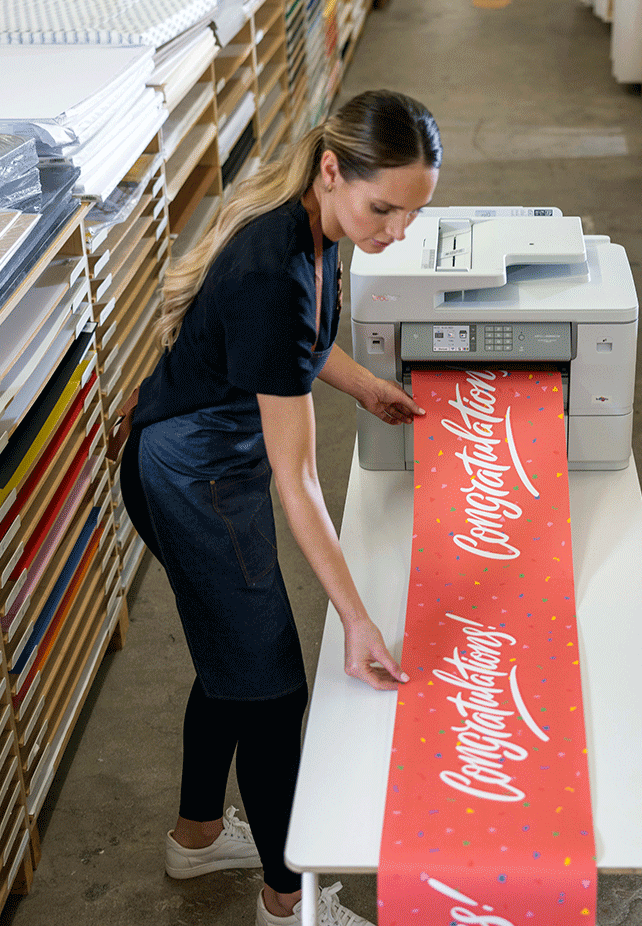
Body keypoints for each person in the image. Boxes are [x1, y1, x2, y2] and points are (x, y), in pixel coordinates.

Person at [119, 90, 442, 926]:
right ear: (334, 170)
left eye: (412, 213)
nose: (395, 231)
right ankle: (286, 901)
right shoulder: (274, 265)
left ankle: (195, 842)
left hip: (200, 458)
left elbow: (294, 344)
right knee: (270, 692)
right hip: (197, 479)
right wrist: (358, 618)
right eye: (385, 208)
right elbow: (296, 480)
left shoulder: (314, 221)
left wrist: (366, 386)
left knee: (234, 665)